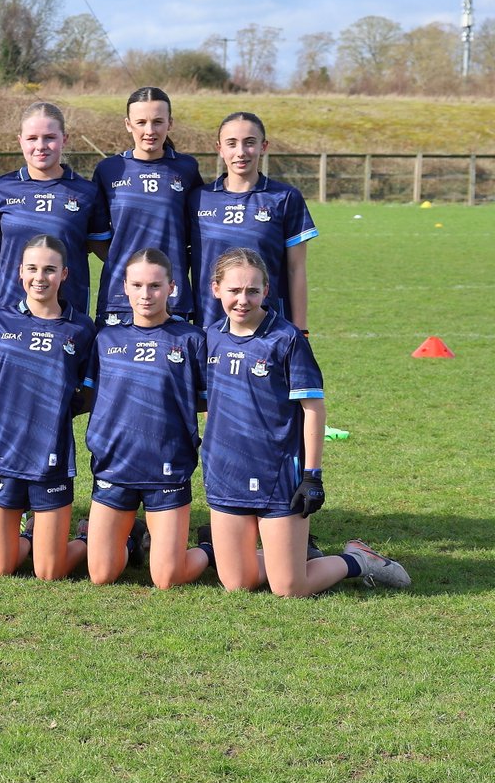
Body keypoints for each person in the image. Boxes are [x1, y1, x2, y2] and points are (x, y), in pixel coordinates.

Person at [201, 248, 409, 593]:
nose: (243, 300)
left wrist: (313, 476)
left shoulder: (287, 339)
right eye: (234, 290)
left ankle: (357, 559)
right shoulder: (210, 338)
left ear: (266, 291)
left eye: (252, 291)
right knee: (237, 584)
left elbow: (313, 409)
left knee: (289, 588)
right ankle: (290, 554)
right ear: (215, 289)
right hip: (226, 473)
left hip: (278, 474)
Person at [83, 248, 209, 588]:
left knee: (167, 578)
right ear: (124, 287)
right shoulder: (106, 339)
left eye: (154, 286)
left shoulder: (191, 340)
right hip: (116, 466)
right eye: (137, 285)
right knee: (101, 574)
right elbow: (90, 397)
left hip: (168, 467)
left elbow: (209, 402)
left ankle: (211, 548)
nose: (145, 294)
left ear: (172, 287)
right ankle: (132, 538)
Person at [0, 235, 97, 580]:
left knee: (49, 572)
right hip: (4, 453)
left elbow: (86, 396)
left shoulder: (81, 329)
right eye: (32, 268)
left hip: (52, 457)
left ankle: (90, 538)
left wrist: (53, 410)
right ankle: (32, 536)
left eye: (49, 269)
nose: (40, 277)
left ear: (64, 274)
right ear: (19, 272)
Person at [193, 112, 316, 332]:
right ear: (220, 148)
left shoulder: (285, 198)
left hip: (269, 328)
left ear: (264, 146)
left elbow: (296, 269)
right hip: (209, 326)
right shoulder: (198, 199)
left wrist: (301, 330)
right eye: (232, 144)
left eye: (250, 143)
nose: (241, 152)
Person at [0, 102, 110, 314]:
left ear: (64, 139)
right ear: (20, 141)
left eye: (50, 137)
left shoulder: (87, 193)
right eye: (32, 138)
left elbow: (107, 252)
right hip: (9, 313)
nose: (40, 145)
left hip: (67, 314)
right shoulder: (0, 189)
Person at [92, 86, 204, 324]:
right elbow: (95, 236)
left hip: (173, 296)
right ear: (128, 124)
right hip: (119, 297)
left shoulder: (186, 169)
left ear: (170, 123)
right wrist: (126, 263)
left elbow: (199, 232)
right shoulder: (109, 170)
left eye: (158, 122)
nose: (150, 130)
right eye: (141, 122)